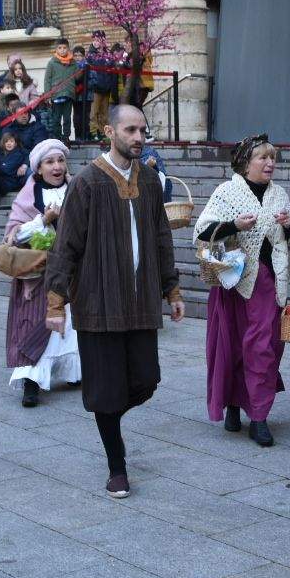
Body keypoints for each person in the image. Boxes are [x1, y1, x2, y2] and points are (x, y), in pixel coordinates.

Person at [46, 105, 184, 499]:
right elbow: (66, 244)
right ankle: (116, 465)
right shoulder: (87, 182)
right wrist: (55, 303)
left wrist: (171, 290)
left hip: (140, 301)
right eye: (131, 130)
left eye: (143, 130)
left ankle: (108, 417)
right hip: (97, 302)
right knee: (107, 391)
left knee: (146, 380)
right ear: (110, 131)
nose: (139, 137)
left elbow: (162, 238)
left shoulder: (152, 182)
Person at [196, 135, 290, 445]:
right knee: (233, 347)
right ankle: (234, 405)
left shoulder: (279, 194)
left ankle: (260, 415)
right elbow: (202, 231)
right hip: (233, 282)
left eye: (272, 158)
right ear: (244, 163)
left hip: (267, 283)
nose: (270, 163)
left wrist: (289, 224)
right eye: (262, 158)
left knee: (263, 347)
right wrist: (234, 226)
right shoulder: (227, 192)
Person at [2, 139, 80, 406]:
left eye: (60, 161)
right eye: (50, 162)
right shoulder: (28, 195)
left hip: (72, 272)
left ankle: (72, 373)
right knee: (37, 324)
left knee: (70, 326)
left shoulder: (76, 189)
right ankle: (31, 381)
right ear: (38, 169)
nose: (57, 166)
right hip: (38, 274)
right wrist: (43, 221)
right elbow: (13, 236)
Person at [43, 38, 83, 141]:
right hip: (56, 95)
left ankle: (66, 137)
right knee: (56, 118)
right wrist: (47, 95)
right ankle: (58, 137)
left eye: (64, 48)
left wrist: (82, 69)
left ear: (68, 49)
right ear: (56, 49)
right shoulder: (52, 63)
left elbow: (77, 77)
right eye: (60, 48)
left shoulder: (73, 63)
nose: (62, 50)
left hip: (69, 94)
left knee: (67, 118)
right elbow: (47, 79)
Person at [84, 31, 119, 140]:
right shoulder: (90, 54)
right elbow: (95, 64)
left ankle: (104, 132)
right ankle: (94, 132)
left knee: (104, 113)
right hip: (96, 87)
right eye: (94, 39)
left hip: (106, 87)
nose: (96, 42)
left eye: (99, 39)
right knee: (94, 112)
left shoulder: (108, 54)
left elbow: (113, 66)